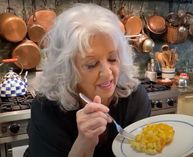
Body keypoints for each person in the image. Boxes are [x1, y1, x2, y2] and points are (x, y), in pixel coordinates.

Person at [24, 3, 151, 157]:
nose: (107, 73)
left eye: (112, 58)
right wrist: (84, 143)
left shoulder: (134, 98)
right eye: (91, 65)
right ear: (67, 70)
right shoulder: (47, 109)